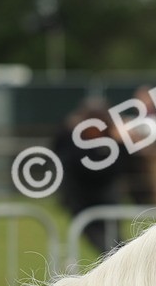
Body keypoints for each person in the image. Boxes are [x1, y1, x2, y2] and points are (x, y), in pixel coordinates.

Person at [52, 98, 131, 255]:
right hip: (83, 204)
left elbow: (117, 169)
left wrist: (121, 142)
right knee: (110, 250)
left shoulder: (105, 142)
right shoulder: (74, 143)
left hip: (106, 202)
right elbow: (96, 171)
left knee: (115, 248)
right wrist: (120, 144)